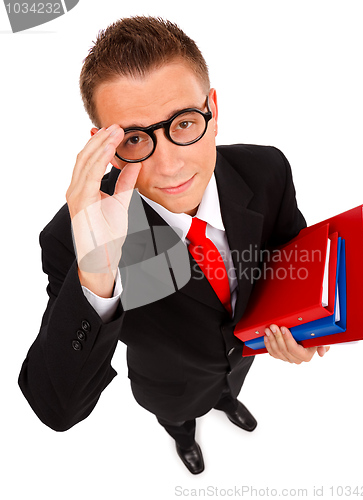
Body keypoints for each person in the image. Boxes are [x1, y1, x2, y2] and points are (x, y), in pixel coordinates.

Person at [18, 16, 330, 475]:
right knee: (180, 419)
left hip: (244, 360)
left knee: (228, 392)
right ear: (105, 145)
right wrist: (99, 273)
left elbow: (286, 255)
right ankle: (183, 434)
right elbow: (56, 407)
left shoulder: (268, 170)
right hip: (170, 385)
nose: (168, 165)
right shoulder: (76, 236)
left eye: (184, 123)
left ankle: (226, 402)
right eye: (136, 138)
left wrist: (304, 329)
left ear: (213, 110)